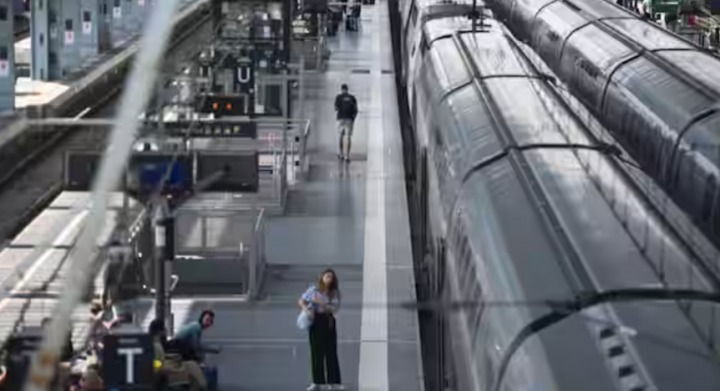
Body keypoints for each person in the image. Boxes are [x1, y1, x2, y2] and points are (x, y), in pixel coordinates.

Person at [298, 269, 343, 391]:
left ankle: (333, 381)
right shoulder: (314, 290)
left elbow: (335, 308)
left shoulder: (334, 293)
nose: (329, 279)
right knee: (316, 352)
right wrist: (306, 310)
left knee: (331, 351)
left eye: (331, 277)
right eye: (327, 276)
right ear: (322, 278)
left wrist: (322, 303)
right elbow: (302, 300)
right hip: (315, 320)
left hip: (328, 320)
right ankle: (317, 381)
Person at [334, 84, 358, 162]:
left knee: (341, 136)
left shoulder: (338, 97)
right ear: (347, 89)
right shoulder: (352, 98)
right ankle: (347, 156)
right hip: (349, 119)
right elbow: (356, 110)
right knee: (348, 137)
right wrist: (353, 119)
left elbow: (335, 108)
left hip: (340, 119)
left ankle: (341, 154)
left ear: (342, 89)